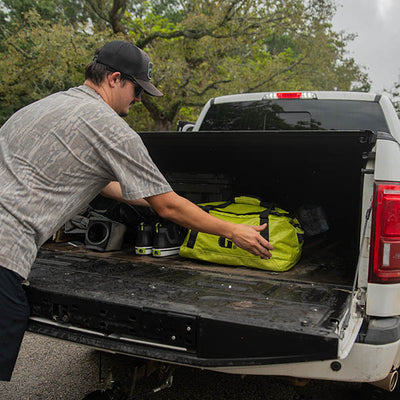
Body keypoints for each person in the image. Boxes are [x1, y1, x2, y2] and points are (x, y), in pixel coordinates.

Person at [0, 40, 273, 381]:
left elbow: (96, 182)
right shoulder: (109, 127)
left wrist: (161, 197)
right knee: (9, 315)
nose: (139, 99)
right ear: (114, 79)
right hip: (5, 252)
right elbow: (168, 207)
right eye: (137, 89)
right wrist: (233, 230)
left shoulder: (40, 108)